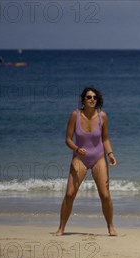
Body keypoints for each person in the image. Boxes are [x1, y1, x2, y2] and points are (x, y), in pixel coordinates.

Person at [56, 87, 117, 236]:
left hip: (99, 158)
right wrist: (77, 149)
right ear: (83, 99)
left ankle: (110, 226)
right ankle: (61, 227)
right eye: (89, 97)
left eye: (95, 97)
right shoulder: (75, 115)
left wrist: (110, 154)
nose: (92, 100)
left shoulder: (102, 116)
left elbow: (105, 139)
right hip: (80, 158)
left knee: (105, 195)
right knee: (70, 194)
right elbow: (68, 139)